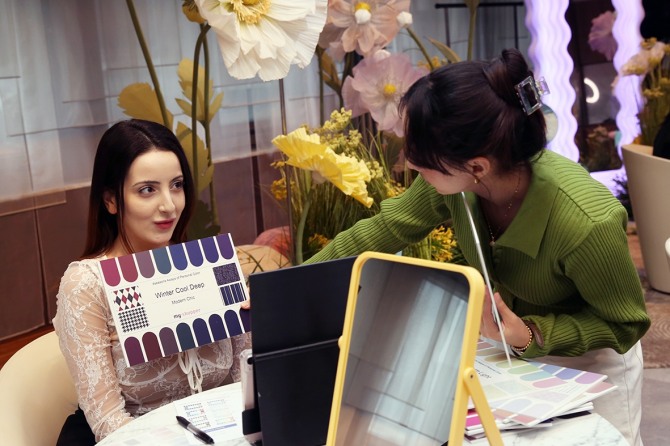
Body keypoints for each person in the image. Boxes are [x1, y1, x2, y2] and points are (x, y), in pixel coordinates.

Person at [305, 49, 650, 445]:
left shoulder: (586, 221)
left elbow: (625, 324)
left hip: (590, 362)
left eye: (419, 157)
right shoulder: (458, 183)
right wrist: (290, 288)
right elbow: (382, 230)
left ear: (477, 166)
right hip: (508, 351)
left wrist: (532, 334)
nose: (409, 163)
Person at [53, 119, 250, 444]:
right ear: (111, 200)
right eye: (147, 190)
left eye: (177, 185)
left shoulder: (210, 264)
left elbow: (247, 385)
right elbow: (108, 421)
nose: (169, 205)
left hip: (217, 434)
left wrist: (254, 320)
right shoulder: (87, 284)